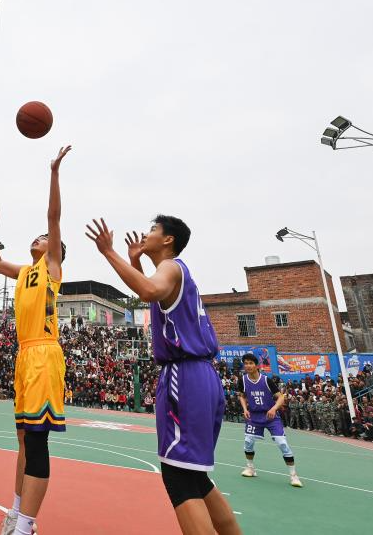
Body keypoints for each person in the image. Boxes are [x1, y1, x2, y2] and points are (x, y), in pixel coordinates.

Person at [87, 215, 240, 535]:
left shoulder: (171, 267)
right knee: (195, 476)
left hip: (184, 377)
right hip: (202, 376)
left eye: (153, 229)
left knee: (178, 478)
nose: (146, 233)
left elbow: (148, 289)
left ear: (168, 240)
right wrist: (135, 261)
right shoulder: (175, 274)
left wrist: (108, 252)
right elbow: (151, 292)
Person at [0, 145, 70, 535]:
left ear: (54, 249)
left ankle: (25, 525)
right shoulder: (23, 272)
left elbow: (53, 217)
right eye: (37, 236)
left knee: (36, 442)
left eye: (44, 237)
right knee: (22, 440)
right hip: (24, 356)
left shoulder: (51, 267)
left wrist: (53, 172)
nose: (38, 238)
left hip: (44, 355)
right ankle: (17, 510)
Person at [236, 353, 302, 487]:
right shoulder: (242, 380)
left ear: (257, 365)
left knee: (282, 443)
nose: (248, 366)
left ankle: (294, 476)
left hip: (270, 416)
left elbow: (281, 397)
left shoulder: (266, 380)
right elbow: (241, 395)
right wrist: (245, 409)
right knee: (248, 442)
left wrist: (274, 409)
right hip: (254, 416)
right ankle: (250, 468)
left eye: (251, 363)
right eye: (246, 363)